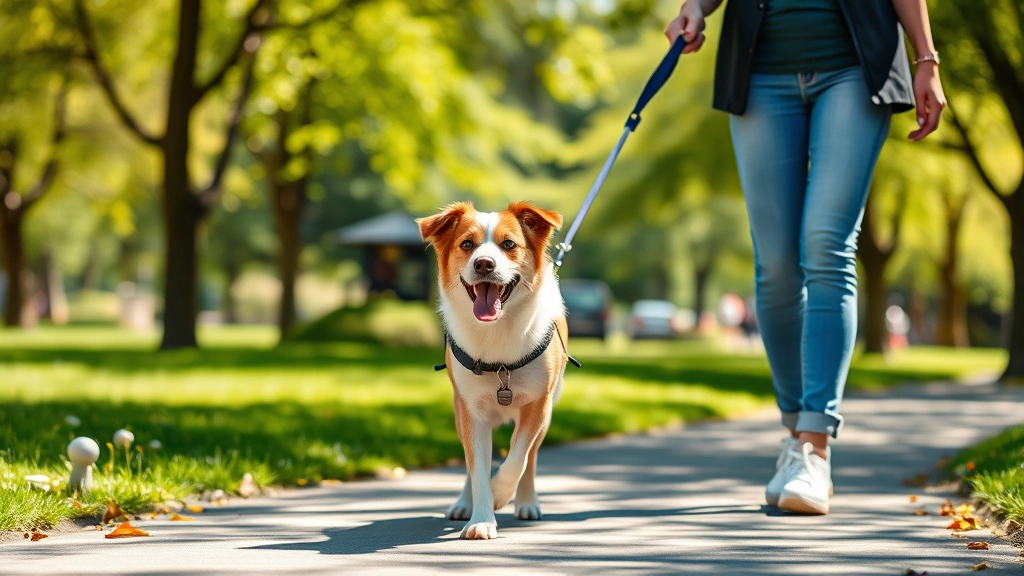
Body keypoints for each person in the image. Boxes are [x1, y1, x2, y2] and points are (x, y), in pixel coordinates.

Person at [665, 0, 945, 514]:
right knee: (775, 267)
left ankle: (815, 446)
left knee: (826, 246)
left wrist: (927, 58)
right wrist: (694, 7)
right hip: (760, 73)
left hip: (855, 68)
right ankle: (795, 434)